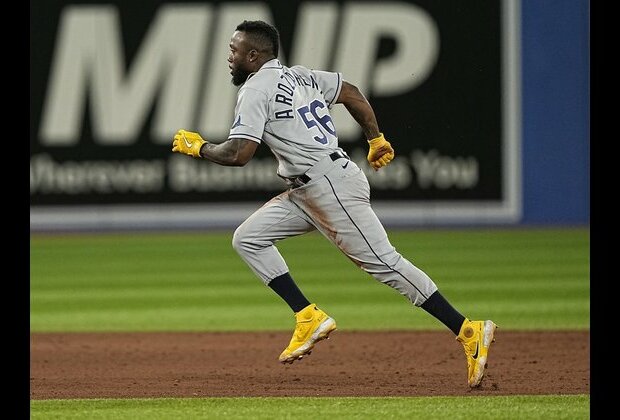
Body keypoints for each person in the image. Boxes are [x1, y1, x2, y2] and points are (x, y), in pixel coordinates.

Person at [172, 20, 497, 388]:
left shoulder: (255, 89)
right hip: (308, 189)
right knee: (248, 238)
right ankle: (307, 315)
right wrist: (376, 138)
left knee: (384, 263)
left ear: (253, 55)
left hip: (329, 188)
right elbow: (352, 93)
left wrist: (198, 147)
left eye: (234, 51)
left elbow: (239, 153)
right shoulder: (303, 77)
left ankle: (467, 329)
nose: (229, 57)